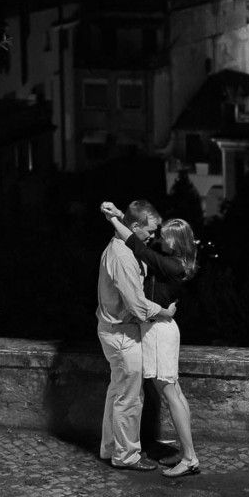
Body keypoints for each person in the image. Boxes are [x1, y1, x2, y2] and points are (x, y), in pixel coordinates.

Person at [101, 201, 200, 479]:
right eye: (156, 234)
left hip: (159, 328)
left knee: (170, 392)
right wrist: (122, 216)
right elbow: (138, 234)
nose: (156, 239)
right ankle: (187, 454)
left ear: (176, 242)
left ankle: (190, 457)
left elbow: (139, 245)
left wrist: (113, 220)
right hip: (156, 326)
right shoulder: (165, 254)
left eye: (162, 237)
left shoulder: (172, 265)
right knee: (173, 391)